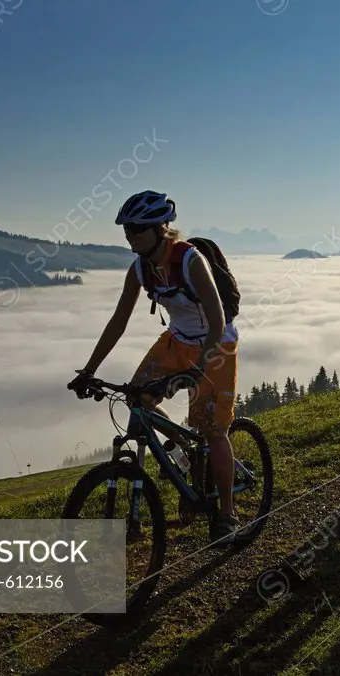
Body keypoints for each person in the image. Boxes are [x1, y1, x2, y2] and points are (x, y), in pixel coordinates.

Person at [67, 190, 241, 546]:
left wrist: (201, 367)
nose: (130, 235)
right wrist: (88, 370)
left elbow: (217, 315)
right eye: (126, 229)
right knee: (137, 398)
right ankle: (186, 452)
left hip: (216, 344)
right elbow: (119, 321)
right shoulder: (140, 267)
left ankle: (227, 514)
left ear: (161, 228)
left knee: (213, 429)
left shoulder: (190, 260)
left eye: (137, 228)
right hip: (176, 341)